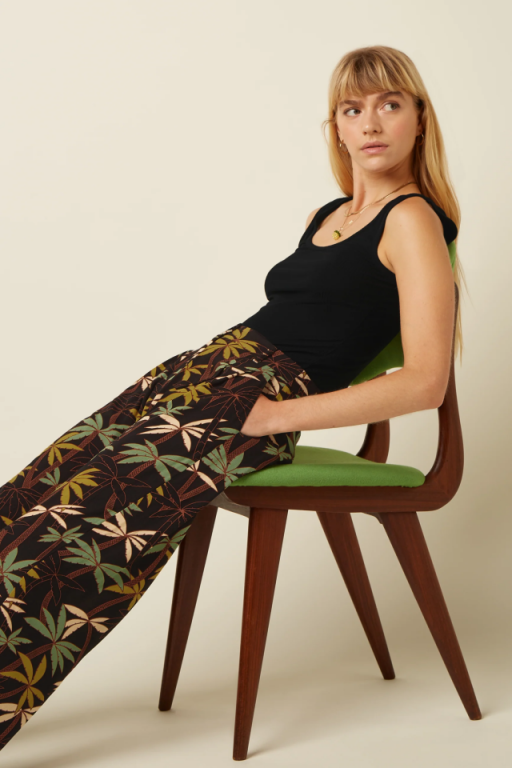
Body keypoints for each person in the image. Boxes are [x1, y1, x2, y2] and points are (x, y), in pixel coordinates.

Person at [0, 44, 464, 753]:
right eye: (352, 109)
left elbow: (425, 381)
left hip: (254, 400)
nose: (370, 123)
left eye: (389, 104)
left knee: (82, 534)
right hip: (201, 373)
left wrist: (277, 416)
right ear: (336, 128)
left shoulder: (413, 221)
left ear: (419, 119)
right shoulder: (327, 214)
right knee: (36, 494)